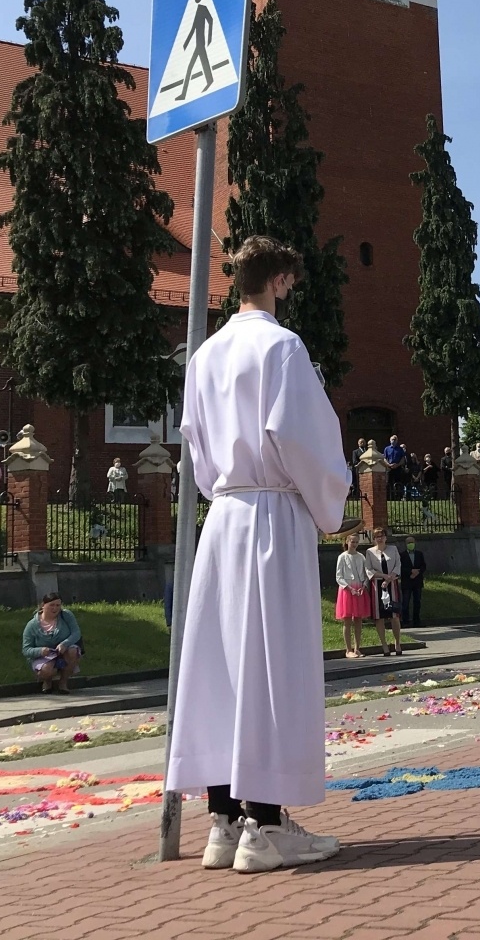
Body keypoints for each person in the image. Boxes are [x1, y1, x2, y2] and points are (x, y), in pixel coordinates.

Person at [164, 236, 350, 875]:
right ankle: (266, 828)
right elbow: (301, 438)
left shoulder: (204, 355)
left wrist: (226, 488)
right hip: (272, 514)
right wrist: (332, 504)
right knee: (272, 666)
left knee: (221, 667)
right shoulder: (283, 346)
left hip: (225, 516)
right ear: (277, 279)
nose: (292, 290)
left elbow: (196, 447)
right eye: (290, 281)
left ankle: (223, 822)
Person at [22, 591, 83, 693]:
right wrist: (40, 651)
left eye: (58, 605)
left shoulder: (66, 615)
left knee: (73, 651)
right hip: (44, 657)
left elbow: (76, 633)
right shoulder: (32, 625)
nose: (55, 608)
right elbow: (26, 649)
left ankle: (63, 683)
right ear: (43, 605)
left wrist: (65, 643)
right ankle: (47, 681)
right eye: (51, 605)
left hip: (64, 651)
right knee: (47, 670)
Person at [366, 528, 404, 656]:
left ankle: (397, 643)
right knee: (379, 616)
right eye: (377, 536)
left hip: (391, 583)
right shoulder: (370, 552)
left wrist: (389, 578)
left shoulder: (393, 549)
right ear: (374, 539)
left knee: (394, 615)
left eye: (381, 536)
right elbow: (369, 569)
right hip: (377, 585)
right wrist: (382, 576)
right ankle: (384, 646)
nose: (379, 538)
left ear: (385, 537)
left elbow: (398, 565)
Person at [334, 532, 373, 658]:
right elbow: (338, 576)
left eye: (356, 542)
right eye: (352, 542)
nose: (354, 544)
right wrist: (349, 588)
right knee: (347, 620)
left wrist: (363, 586)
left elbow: (365, 573)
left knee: (358, 620)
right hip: (347, 590)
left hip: (359, 589)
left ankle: (357, 648)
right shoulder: (342, 557)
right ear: (347, 542)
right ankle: (348, 649)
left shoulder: (361, 557)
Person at [401, 537, 427, 626]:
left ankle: (417, 621)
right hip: (407, 582)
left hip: (417, 582)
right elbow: (400, 568)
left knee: (417, 602)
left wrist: (418, 572)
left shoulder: (419, 554)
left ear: (415, 542)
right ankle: (405, 621)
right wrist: (410, 572)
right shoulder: (402, 555)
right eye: (408, 542)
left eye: (412, 542)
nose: (410, 544)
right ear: (405, 544)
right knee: (405, 602)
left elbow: (423, 566)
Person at [383, 435, 408, 499]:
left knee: (398, 482)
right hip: (389, 468)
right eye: (392, 439)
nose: (393, 441)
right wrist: (388, 464)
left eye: (395, 439)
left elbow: (402, 458)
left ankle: (398, 497)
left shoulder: (400, 449)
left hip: (398, 468)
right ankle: (389, 497)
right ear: (390, 440)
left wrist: (398, 464)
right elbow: (384, 458)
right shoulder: (387, 449)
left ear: (397, 441)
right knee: (389, 482)